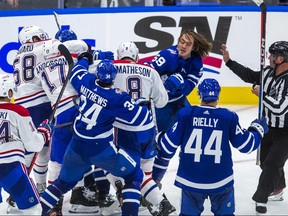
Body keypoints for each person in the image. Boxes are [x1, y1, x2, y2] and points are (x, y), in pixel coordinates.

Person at [40, 55, 153, 216]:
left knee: (61, 183)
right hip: (101, 151)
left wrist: (85, 58)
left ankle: (36, 212)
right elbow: (139, 118)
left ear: (97, 75)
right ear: (114, 78)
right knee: (134, 175)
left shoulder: (87, 82)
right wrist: (142, 105)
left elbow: (76, 70)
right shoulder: (118, 97)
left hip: (76, 147)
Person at [152, 78, 268, 216]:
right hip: (220, 180)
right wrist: (257, 129)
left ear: (200, 95)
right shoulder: (228, 117)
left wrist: (157, 135)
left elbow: (167, 145)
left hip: (191, 180)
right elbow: (246, 145)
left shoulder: (186, 114)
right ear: (218, 95)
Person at [220, 41, 288, 214]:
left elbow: (280, 108)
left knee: (272, 162)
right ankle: (278, 187)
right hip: (268, 127)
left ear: (281, 58)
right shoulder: (267, 73)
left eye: (273, 55)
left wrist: (261, 95)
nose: (269, 58)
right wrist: (229, 62)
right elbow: (248, 75)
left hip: (285, 130)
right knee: (265, 161)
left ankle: (260, 199)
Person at [112, 42, 175, 215]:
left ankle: (122, 189)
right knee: (146, 173)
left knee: (107, 163)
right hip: (147, 129)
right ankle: (162, 204)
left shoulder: (112, 67)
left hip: (123, 129)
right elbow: (161, 102)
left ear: (118, 55)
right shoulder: (150, 71)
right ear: (137, 56)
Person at [0, 74, 53, 215]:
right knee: (33, 210)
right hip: (10, 168)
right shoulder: (18, 111)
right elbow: (34, 146)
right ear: (9, 92)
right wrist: (44, 132)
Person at [13, 25, 53, 199]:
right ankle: (38, 186)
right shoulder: (43, 47)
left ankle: (19, 189)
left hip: (21, 105)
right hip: (40, 103)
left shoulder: (17, 55)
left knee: (30, 148)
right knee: (43, 146)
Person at [145, 29, 213, 132]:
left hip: (180, 100)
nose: (183, 46)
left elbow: (188, 88)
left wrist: (181, 84)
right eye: (182, 41)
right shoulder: (167, 56)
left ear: (193, 48)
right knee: (161, 137)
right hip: (161, 103)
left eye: (188, 44)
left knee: (193, 129)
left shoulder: (196, 63)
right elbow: (148, 72)